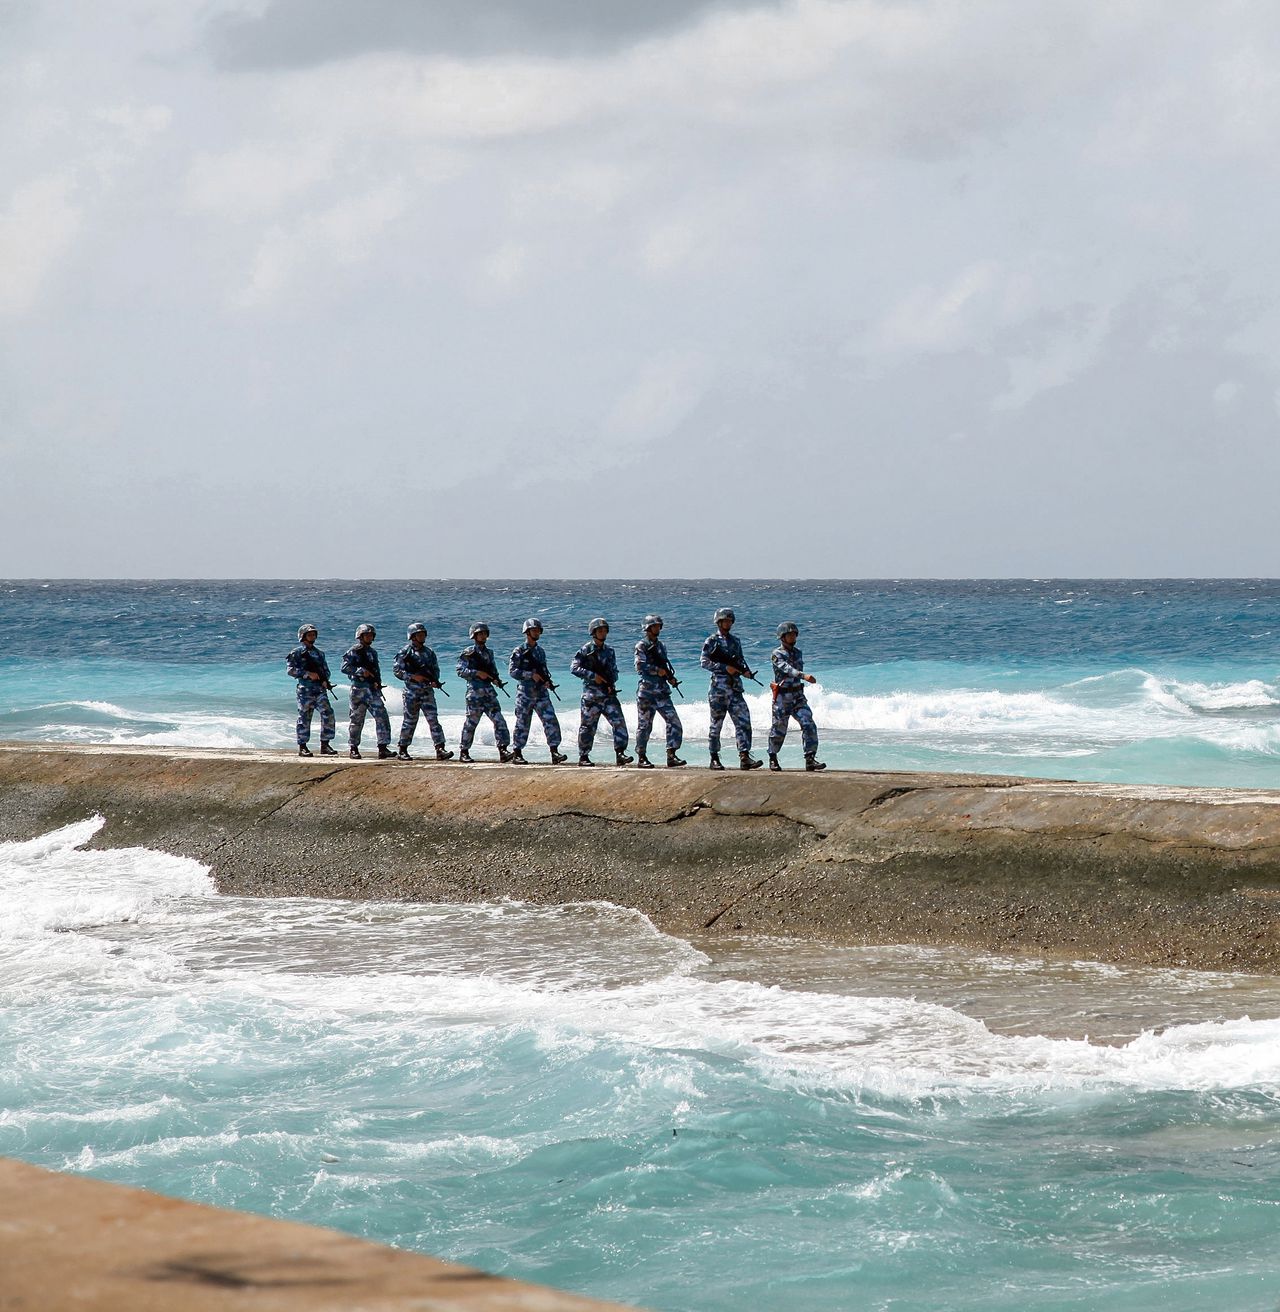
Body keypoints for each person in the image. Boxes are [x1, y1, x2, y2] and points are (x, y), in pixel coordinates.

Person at [700, 607, 763, 770]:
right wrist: (723, 667)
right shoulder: (711, 640)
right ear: (719, 622)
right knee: (716, 725)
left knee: (744, 722)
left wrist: (745, 672)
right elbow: (704, 662)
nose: (728, 623)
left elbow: (740, 661)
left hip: (735, 689)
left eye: (730, 621)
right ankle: (714, 757)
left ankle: (744, 756)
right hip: (718, 690)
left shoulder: (736, 641)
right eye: (725, 620)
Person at [571, 618, 633, 767]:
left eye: (605, 630)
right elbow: (574, 668)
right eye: (600, 630)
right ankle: (583, 756)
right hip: (591, 695)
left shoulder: (610, 651)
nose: (603, 633)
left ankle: (620, 753)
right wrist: (593, 677)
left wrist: (611, 681)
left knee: (619, 723)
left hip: (608, 694)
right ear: (593, 632)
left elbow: (614, 670)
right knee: (588, 727)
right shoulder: (586, 650)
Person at [508, 618, 568, 764]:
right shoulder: (519, 651)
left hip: (541, 693)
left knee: (551, 721)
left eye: (538, 630)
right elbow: (513, 671)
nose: (536, 633)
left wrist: (547, 681)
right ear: (527, 632)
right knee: (522, 723)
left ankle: (555, 752)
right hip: (525, 694)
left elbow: (543, 670)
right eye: (534, 630)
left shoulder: (540, 652)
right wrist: (530, 675)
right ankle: (517, 753)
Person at [768, 622, 826, 772]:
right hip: (782, 696)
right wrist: (803, 676)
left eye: (794, 634)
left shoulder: (798, 652)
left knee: (808, 723)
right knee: (779, 729)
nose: (793, 636)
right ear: (782, 637)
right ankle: (773, 757)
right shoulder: (777, 654)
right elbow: (787, 669)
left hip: (798, 695)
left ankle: (810, 758)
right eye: (789, 634)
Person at [393, 623, 454, 761]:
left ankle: (440, 748)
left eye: (423, 634)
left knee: (433, 720)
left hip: (427, 691)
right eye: (419, 634)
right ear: (412, 636)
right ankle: (403, 749)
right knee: (409, 721)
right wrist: (413, 677)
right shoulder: (405, 652)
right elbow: (397, 671)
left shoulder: (429, 652)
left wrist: (434, 680)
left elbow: (435, 669)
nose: (422, 636)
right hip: (411, 692)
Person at [634, 614, 686, 768]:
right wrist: (657, 671)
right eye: (654, 626)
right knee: (644, 726)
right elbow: (639, 666)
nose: (657, 628)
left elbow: (665, 665)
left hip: (662, 692)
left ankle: (671, 754)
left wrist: (670, 678)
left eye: (659, 626)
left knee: (674, 722)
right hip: (647, 693)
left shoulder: (661, 646)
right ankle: (641, 756)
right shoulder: (641, 646)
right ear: (648, 628)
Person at [456, 623, 512, 764]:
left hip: (489, 694)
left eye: (485, 633)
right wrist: (477, 673)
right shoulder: (468, 652)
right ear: (474, 636)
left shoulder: (489, 653)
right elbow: (460, 671)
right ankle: (464, 751)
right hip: (475, 693)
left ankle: (503, 750)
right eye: (480, 634)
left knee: (499, 721)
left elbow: (492, 671)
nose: (483, 636)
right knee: (471, 724)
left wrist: (496, 680)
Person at [341, 623, 394, 759]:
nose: (369, 637)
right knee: (357, 720)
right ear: (360, 636)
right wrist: (360, 672)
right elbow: (345, 667)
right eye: (367, 635)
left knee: (382, 717)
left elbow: (375, 670)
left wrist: (377, 683)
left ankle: (383, 748)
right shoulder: (354, 650)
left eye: (371, 635)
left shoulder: (372, 652)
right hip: (359, 690)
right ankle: (353, 748)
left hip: (372, 689)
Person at [286, 623, 338, 757]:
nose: (312, 636)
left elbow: (326, 671)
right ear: (303, 636)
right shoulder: (297, 653)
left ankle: (325, 744)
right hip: (305, 690)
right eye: (309, 634)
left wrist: (325, 680)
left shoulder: (319, 653)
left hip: (320, 689)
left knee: (328, 714)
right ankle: (302, 746)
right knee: (304, 717)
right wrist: (307, 674)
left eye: (314, 634)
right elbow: (290, 670)